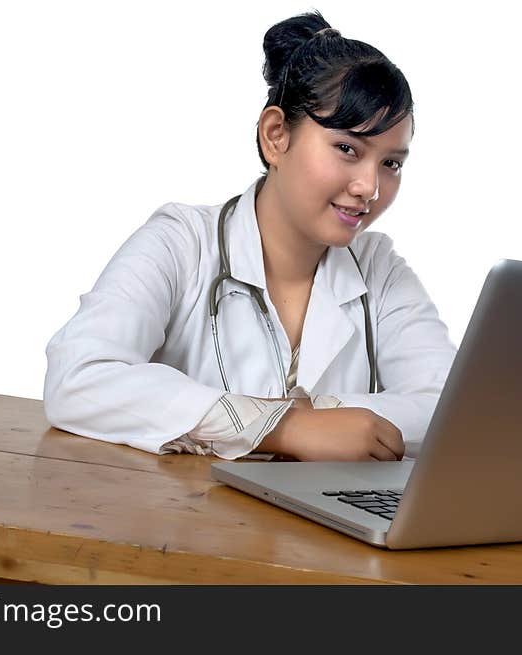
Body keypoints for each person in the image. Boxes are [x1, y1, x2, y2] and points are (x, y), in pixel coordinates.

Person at [43, 10, 457, 462]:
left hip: (315, 530)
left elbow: (452, 409)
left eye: (391, 164)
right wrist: (283, 426)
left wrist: (325, 416)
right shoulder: (180, 243)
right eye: (347, 149)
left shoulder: (379, 268)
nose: (370, 188)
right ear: (276, 136)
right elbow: (78, 378)